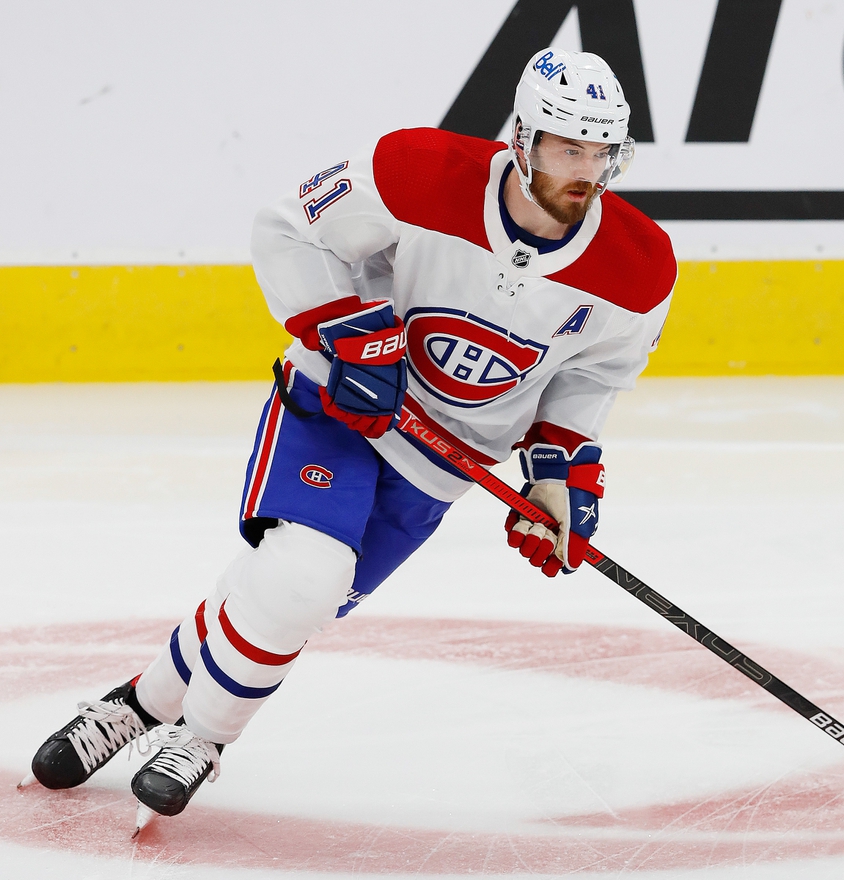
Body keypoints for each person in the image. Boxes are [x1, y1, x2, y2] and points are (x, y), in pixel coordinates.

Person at [22, 47, 677, 831]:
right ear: (525, 139)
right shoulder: (416, 170)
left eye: (603, 151)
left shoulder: (639, 267)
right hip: (338, 405)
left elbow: (590, 378)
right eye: (571, 148)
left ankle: (137, 703)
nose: (588, 169)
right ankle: (200, 738)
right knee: (303, 575)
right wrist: (351, 334)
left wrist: (555, 476)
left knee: (289, 598)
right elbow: (289, 231)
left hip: (443, 463)